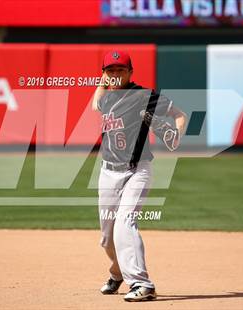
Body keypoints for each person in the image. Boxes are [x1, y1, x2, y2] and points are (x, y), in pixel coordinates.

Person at [91, 50, 186, 302]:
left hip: (137, 170)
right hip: (107, 172)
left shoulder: (143, 96)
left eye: (120, 70)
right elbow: (95, 104)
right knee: (107, 238)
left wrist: (176, 133)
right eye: (110, 70)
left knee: (125, 224)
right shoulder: (107, 98)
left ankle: (142, 284)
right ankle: (117, 272)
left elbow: (179, 114)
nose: (115, 74)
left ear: (130, 73)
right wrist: (103, 82)